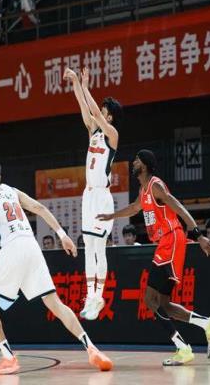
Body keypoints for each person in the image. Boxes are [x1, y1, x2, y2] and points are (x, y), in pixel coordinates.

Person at [0, 158, 113, 375]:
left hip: (12, 248)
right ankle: (91, 347)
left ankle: (8, 358)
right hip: (32, 246)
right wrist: (62, 235)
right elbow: (39, 207)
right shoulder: (12, 191)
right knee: (55, 303)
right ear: (0, 176)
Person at [97, 150, 210, 366]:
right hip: (166, 243)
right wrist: (111, 216)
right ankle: (207, 324)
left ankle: (183, 348)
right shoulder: (143, 189)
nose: (133, 162)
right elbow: (134, 208)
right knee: (164, 304)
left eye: (137, 160)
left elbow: (178, 207)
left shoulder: (155, 185)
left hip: (171, 240)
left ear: (144, 165)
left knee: (149, 299)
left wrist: (198, 235)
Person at [63, 67, 122, 321]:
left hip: (102, 197)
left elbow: (94, 112)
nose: (99, 113)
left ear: (109, 117)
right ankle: (90, 296)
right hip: (88, 195)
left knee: (99, 247)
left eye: (104, 111)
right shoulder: (93, 132)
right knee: (87, 246)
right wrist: (76, 83)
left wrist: (85, 86)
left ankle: (99, 295)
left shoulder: (112, 135)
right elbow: (83, 106)